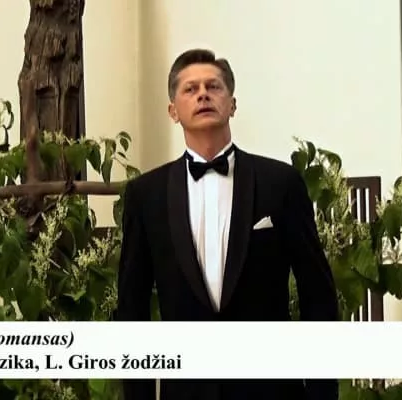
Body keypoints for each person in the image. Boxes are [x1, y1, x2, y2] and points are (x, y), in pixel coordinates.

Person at [115, 48, 339, 400]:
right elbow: (132, 308)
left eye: (213, 86)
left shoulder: (280, 183)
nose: (203, 94)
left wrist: (322, 394)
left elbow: (318, 295)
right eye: (190, 89)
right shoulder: (146, 195)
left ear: (232, 104)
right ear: (173, 111)